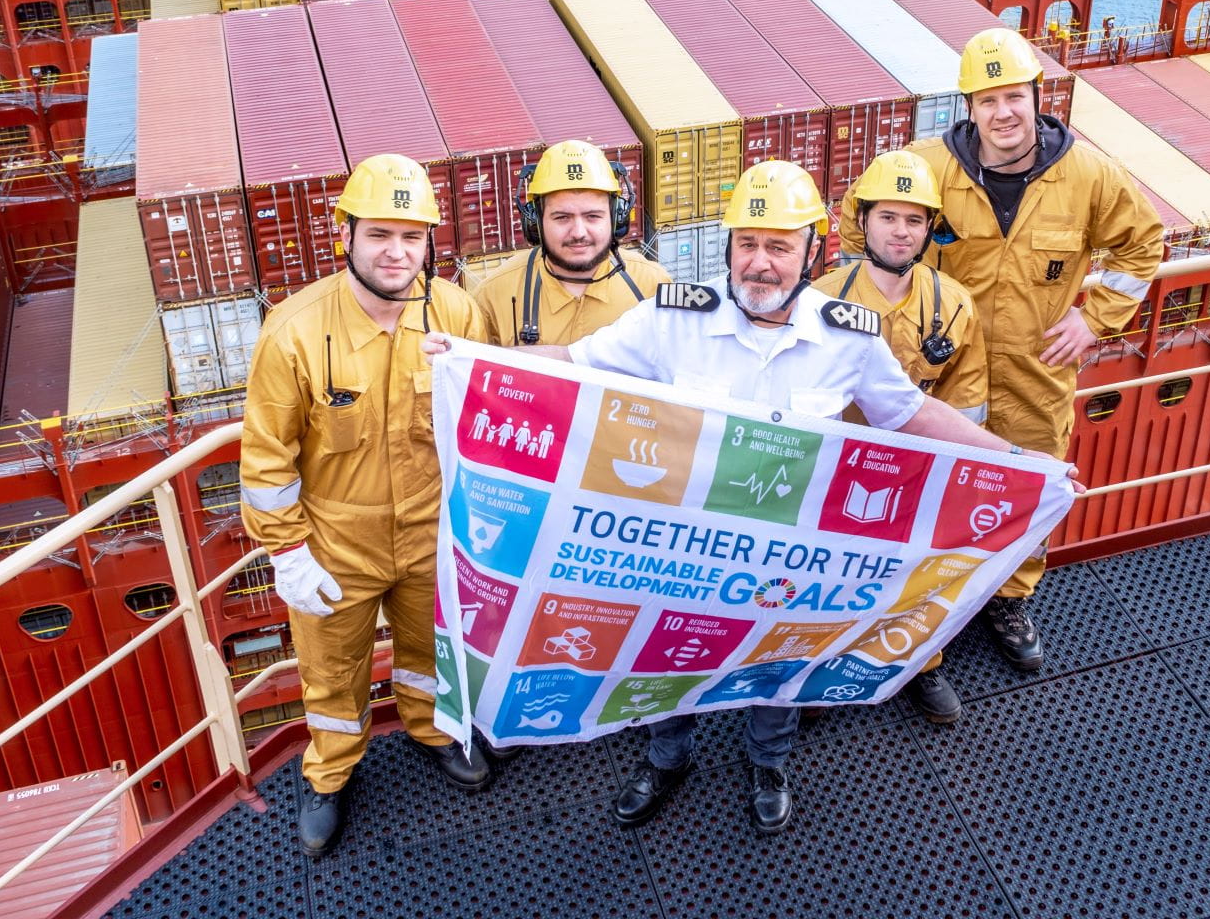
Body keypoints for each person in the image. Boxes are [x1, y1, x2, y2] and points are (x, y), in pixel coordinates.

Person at [433, 160, 1019, 835]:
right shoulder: (673, 320)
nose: (760, 264)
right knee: (658, 658)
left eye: (778, 247)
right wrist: (471, 358)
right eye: (747, 245)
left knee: (774, 669)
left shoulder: (849, 337)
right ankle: (666, 758)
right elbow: (577, 363)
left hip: (784, 552)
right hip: (682, 548)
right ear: (728, 247)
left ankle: (768, 764)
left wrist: (1016, 459)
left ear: (812, 252)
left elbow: (909, 413)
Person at [840, 26, 1163, 672]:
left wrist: (1096, 320)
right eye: (987, 101)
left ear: (1038, 98)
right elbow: (858, 221)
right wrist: (882, 312)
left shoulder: (1090, 176)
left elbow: (1142, 245)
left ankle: (1009, 597)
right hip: (936, 367)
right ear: (970, 107)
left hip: (1034, 367)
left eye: (1013, 96)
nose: (1002, 113)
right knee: (922, 481)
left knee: (1034, 476)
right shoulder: (928, 167)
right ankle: (918, 600)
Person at [239, 152, 496, 859]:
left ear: (431, 245)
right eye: (380, 233)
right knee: (331, 670)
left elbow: (500, 413)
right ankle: (330, 773)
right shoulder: (293, 332)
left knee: (429, 652)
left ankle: (432, 728)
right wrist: (288, 553)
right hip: (333, 543)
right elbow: (266, 464)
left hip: (429, 529)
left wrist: (472, 371)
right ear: (344, 235)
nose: (397, 252)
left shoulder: (457, 311)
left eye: (412, 237)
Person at [812, 148, 987, 727]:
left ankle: (921, 661)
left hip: (919, 471)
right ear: (861, 221)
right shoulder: (819, 302)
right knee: (826, 576)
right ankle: (817, 667)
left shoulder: (954, 304)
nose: (901, 231)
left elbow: (967, 404)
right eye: (888, 217)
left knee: (917, 573)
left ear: (930, 229)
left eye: (915, 220)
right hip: (835, 470)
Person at [472, 138, 672, 347]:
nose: (578, 233)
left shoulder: (652, 286)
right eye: (562, 218)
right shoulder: (493, 297)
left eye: (593, 216)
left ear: (616, 219)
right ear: (536, 223)